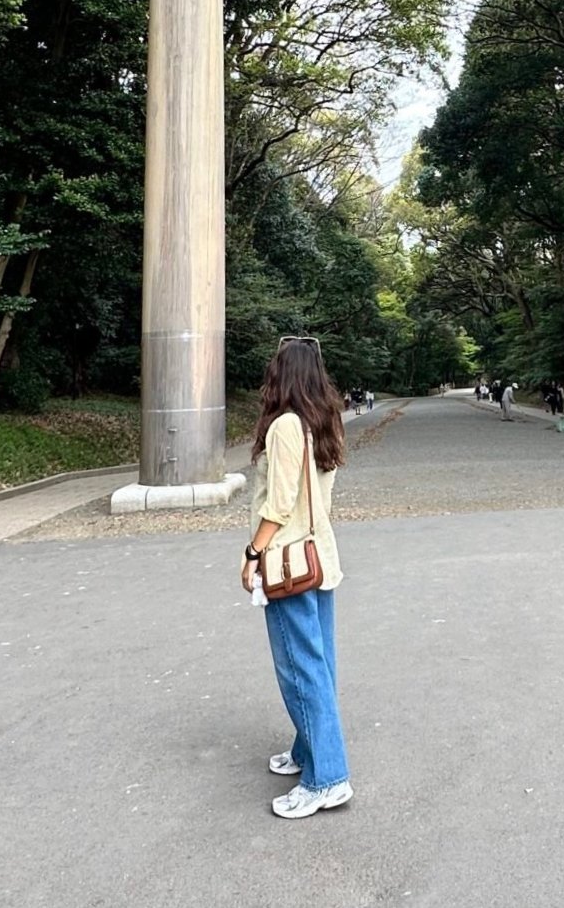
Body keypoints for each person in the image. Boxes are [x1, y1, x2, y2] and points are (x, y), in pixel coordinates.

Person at [241, 338, 351, 820]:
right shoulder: (322, 420)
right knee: (318, 664)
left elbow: (280, 502)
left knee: (299, 669)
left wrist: (252, 552)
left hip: (288, 562)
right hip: (318, 557)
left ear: (281, 374)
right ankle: (308, 752)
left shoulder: (286, 425)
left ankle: (327, 778)